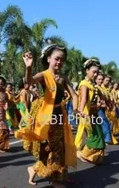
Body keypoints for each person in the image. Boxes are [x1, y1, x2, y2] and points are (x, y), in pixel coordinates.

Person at [16, 44, 78, 188]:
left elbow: (74, 95)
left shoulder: (63, 77)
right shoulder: (44, 75)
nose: (59, 62)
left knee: (59, 148)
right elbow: (29, 82)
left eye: (62, 60)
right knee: (52, 148)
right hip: (45, 118)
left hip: (59, 116)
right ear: (48, 58)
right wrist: (29, 67)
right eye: (57, 59)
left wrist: (76, 109)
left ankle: (36, 169)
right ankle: (55, 179)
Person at [75, 59, 105, 165]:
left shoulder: (92, 84)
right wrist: (80, 112)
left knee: (99, 135)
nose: (96, 74)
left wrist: (103, 103)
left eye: (97, 72)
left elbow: (100, 96)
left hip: (93, 114)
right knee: (95, 137)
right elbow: (83, 100)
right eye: (94, 72)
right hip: (86, 115)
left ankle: (95, 157)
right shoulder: (84, 84)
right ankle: (82, 154)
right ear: (87, 70)